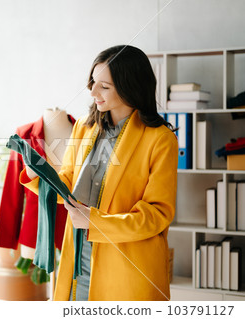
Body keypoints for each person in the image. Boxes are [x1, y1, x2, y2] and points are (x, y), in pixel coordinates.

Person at [20, 45, 178, 301]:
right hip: (78, 258)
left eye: (104, 86)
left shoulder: (160, 140)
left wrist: (95, 222)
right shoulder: (85, 126)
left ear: (130, 87)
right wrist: (38, 174)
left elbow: (157, 215)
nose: (92, 91)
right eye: (93, 82)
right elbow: (68, 185)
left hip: (127, 265)